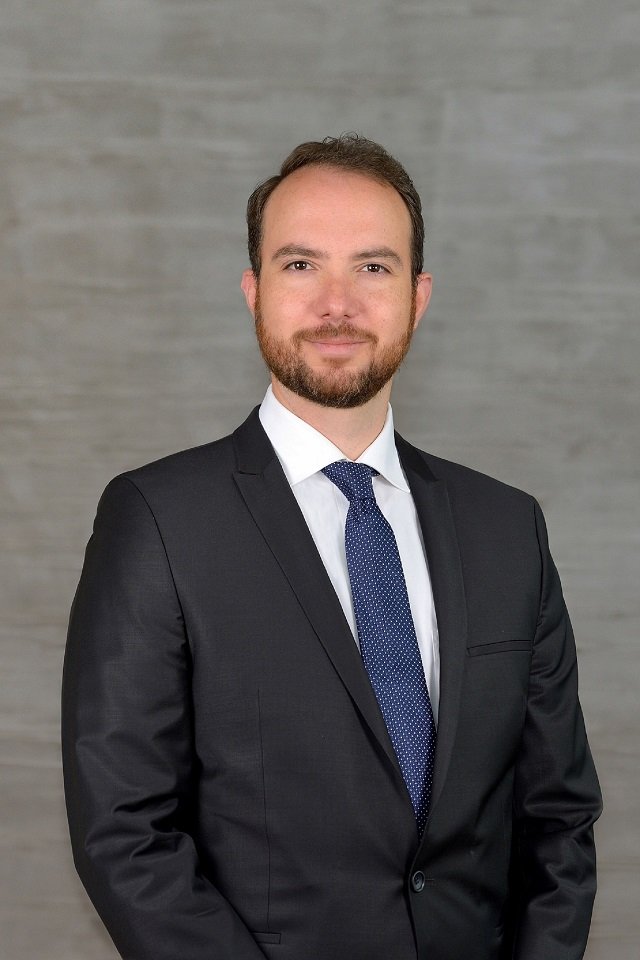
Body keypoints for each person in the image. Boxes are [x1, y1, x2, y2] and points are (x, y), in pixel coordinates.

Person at [62, 134, 602, 960]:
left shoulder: (508, 529)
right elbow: (124, 833)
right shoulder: (159, 521)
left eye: (373, 267)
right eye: (301, 264)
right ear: (254, 290)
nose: (337, 303)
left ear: (419, 296)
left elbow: (558, 821)